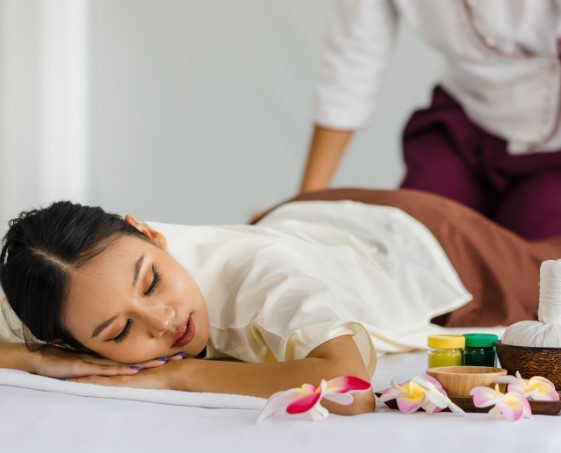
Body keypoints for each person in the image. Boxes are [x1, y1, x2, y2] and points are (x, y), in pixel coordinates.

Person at [1, 189, 560, 415]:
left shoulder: (260, 283)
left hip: (418, 243)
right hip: (301, 222)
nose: (164, 321)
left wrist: (176, 378)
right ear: (64, 338)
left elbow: (350, 382)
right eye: (120, 333)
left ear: (148, 233)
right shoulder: (58, 285)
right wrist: (38, 362)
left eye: (151, 283)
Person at [301, 0, 561, 240]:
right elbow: (352, 60)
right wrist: (301, 209)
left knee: (534, 270)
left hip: (552, 154)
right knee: (411, 240)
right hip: (464, 120)